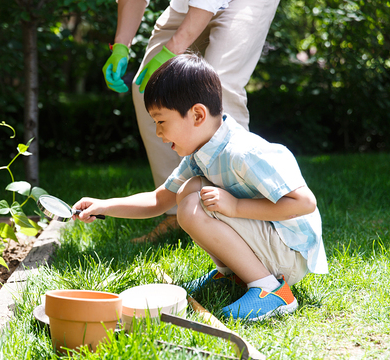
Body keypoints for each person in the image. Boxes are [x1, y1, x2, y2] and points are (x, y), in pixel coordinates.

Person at [77, 55, 327, 321]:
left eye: (161, 122)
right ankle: (233, 274)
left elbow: (304, 202)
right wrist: (104, 205)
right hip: (270, 247)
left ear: (197, 115)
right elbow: (159, 200)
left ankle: (271, 290)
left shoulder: (244, 153)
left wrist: (236, 206)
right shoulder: (201, 154)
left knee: (191, 200)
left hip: (289, 253)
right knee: (190, 190)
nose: (159, 133)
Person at [102, 0, 281, 242]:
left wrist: (171, 50)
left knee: (219, 84)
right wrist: (121, 46)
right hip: (186, 5)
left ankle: (240, 213)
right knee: (149, 89)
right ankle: (177, 211)